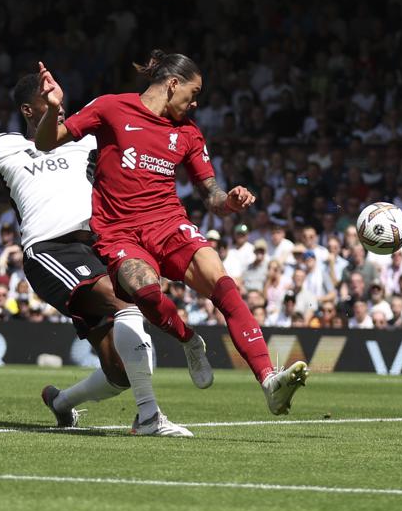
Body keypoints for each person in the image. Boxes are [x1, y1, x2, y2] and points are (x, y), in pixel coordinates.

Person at [0, 74, 207, 437]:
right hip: (49, 251)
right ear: (28, 109)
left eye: (61, 96)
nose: (60, 104)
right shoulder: (4, 148)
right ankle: (149, 417)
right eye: (49, 98)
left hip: (96, 249)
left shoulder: (83, 137)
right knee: (128, 303)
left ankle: (61, 402)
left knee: (119, 372)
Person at [35, 50, 307, 415]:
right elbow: (46, 141)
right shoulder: (112, 108)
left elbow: (211, 194)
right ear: (172, 84)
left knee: (223, 284)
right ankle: (189, 340)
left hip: (169, 224)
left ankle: (269, 380)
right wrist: (53, 107)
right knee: (145, 291)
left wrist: (230, 200)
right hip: (119, 232)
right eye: (193, 93)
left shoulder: (188, 133)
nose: (194, 103)